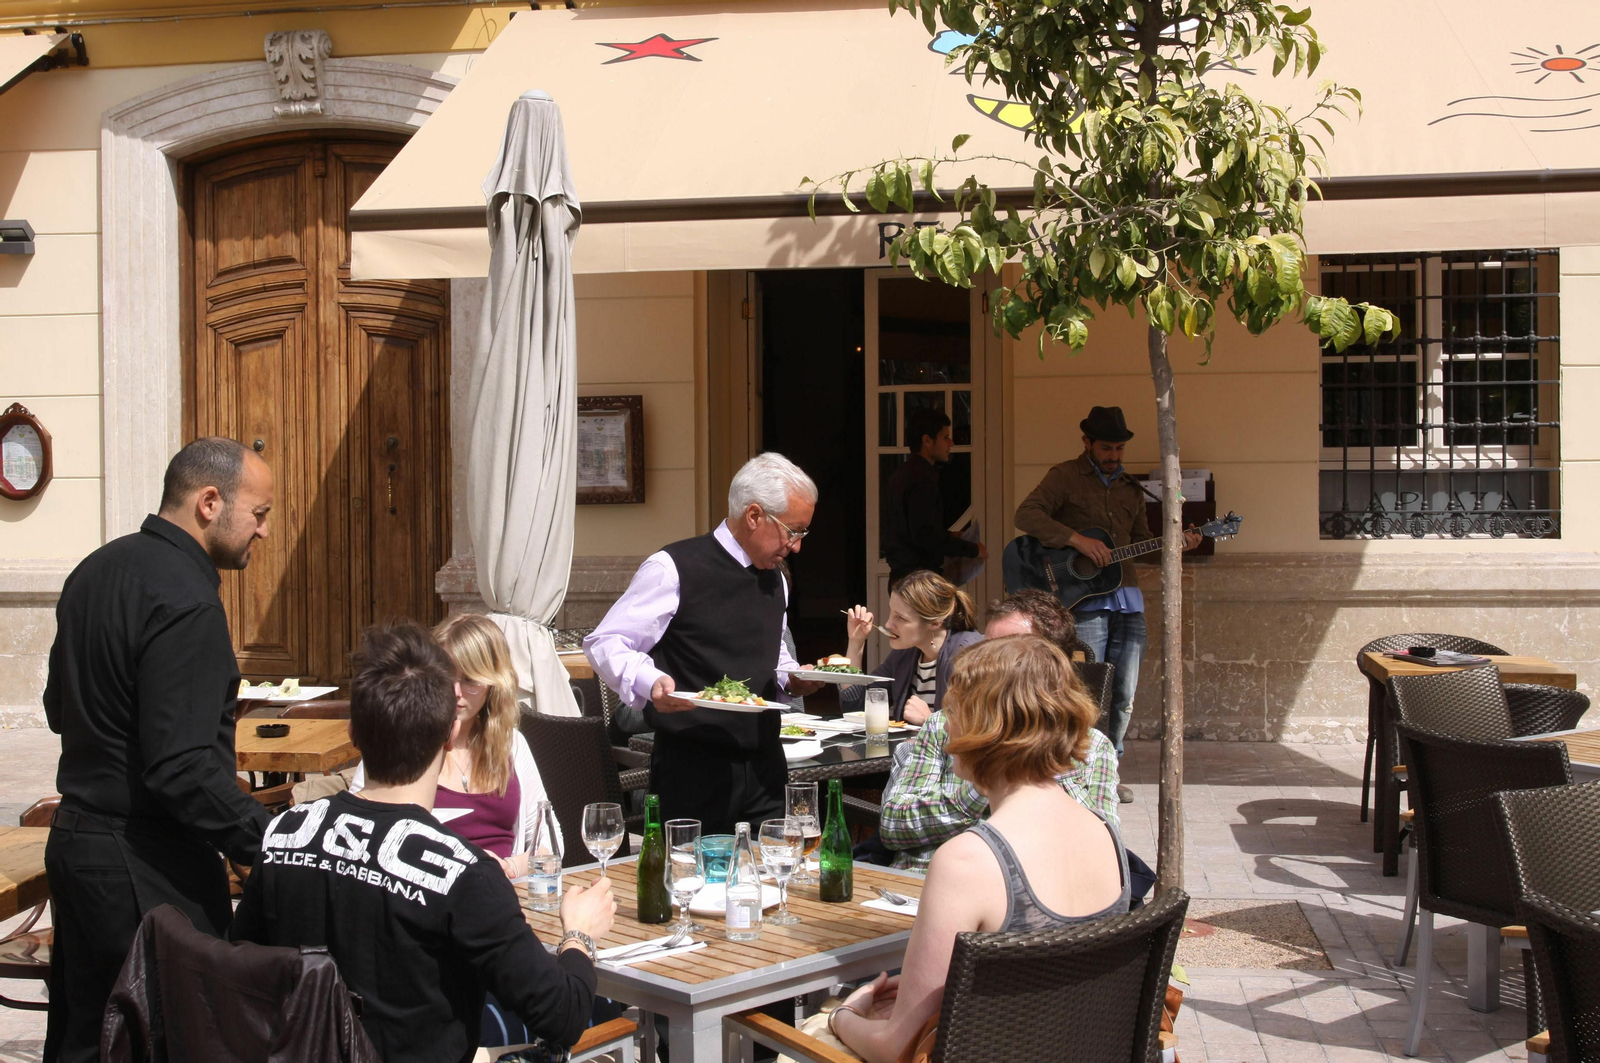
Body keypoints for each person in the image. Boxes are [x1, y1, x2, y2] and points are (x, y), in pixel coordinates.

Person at [230, 623, 616, 1063]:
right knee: (606, 1012)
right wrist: (579, 934)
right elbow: (562, 1016)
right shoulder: (462, 873)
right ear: (449, 733)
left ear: (353, 733)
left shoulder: (283, 835)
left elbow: (244, 970)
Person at [42, 437, 275, 1063]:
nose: (263, 532)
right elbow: (182, 768)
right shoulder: (188, 601)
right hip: (144, 864)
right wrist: (273, 844)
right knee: (166, 1043)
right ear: (209, 502)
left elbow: (58, 710)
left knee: (88, 1042)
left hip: (79, 848)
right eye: (258, 514)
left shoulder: (94, 570)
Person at [812, 636, 1131, 1063]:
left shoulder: (969, 861)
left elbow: (896, 1049)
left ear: (983, 725)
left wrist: (841, 1015)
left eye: (954, 711)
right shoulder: (1104, 834)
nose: (945, 727)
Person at [583, 452, 825, 835]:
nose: (796, 546)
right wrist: (650, 682)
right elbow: (606, 641)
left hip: (766, 767)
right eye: (792, 531)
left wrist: (792, 678)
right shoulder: (673, 568)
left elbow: (771, 648)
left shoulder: (775, 578)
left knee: (773, 878)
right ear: (754, 515)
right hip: (693, 768)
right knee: (689, 886)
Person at [1013, 404, 1201, 796]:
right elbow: (1027, 514)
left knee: (1124, 692)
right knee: (1086, 688)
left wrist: (1177, 544)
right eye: (1106, 448)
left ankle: (1108, 772)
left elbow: (1140, 543)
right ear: (1087, 443)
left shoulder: (1131, 488)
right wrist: (1077, 540)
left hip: (1127, 598)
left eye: (1119, 449)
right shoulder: (1064, 476)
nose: (1114, 456)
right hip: (1084, 602)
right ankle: (1077, 770)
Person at [878, 593, 1120, 873]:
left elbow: (1105, 845)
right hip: (918, 884)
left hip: (1026, 893)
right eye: (986, 647)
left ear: (1051, 665)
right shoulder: (944, 725)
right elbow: (892, 825)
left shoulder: (1090, 744)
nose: (984, 662)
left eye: (1006, 651)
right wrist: (981, 786)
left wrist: (1037, 754)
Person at [350, 613, 560, 878]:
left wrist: (512, 867)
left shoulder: (512, 744)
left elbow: (551, 842)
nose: (456, 691)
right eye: (447, 677)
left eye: (471, 679)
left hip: (502, 893)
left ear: (495, 684)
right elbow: (361, 824)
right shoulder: (404, 737)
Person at [840, 570, 982, 726]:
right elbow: (858, 707)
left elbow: (977, 732)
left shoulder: (967, 656)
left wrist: (930, 721)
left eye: (900, 618)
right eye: (891, 613)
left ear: (935, 623)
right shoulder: (905, 654)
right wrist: (856, 642)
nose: (888, 624)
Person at [881, 408, 986, 587]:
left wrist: (950, 535)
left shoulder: (901, 473)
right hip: (919, 581)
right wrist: (973, 549)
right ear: (927, 440)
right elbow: (924, 536)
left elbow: (911, 528)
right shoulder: (921, 479)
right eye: (945, 437)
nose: (951, 443)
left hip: (902, 576)